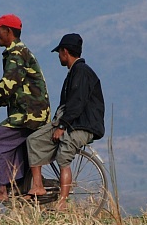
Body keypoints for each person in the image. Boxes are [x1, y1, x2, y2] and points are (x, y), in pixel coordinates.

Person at [0, 14, 50, 202]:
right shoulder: (16, 53)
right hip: (28, 112)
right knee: (12, 146)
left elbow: (7, 85)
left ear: (9, 31)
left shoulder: (17, 54)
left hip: (29, 115)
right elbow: (12, 90)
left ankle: (1, 189)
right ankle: (20, 185)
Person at [26, 32, 105, 211]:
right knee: (34, 140)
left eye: (59, 53)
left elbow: (77, 104)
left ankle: (62, 202)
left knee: (64, 154)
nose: (59, 57)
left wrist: (62, 126)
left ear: (65, 52)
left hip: (82, 124)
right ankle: (38, 185)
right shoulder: (74, 72)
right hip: (70, 121)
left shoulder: (82, 72)